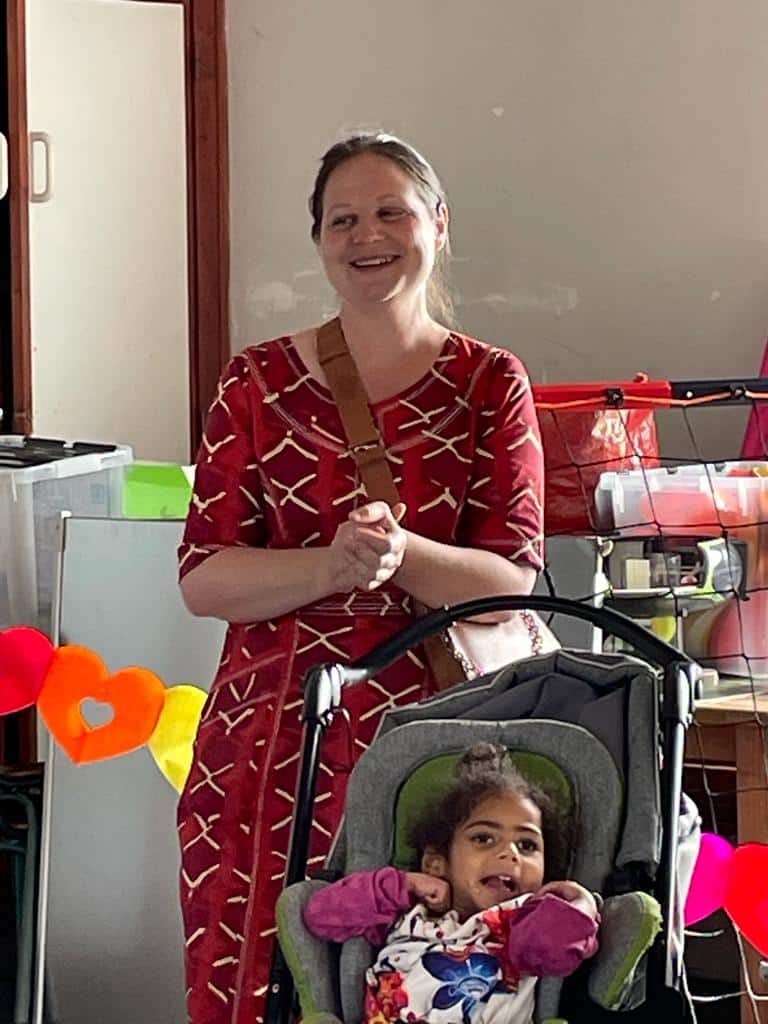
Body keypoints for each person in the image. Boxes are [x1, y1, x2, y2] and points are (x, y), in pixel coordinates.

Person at [177, 131, 545, 1024]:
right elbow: (203, 577)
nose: (366, 235)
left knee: (425, 982)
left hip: (436, 752)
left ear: (437, 224)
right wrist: (331, 564)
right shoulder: (255, 381)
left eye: (390, 212)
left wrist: (400, 552)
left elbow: (514, 580)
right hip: (266, 746)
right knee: (255, 977)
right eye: (342, 220)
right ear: (318, 240)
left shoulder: (490, 383)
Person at [303, 743, 599, 1024]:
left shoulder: (526, 923)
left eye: (527, 845)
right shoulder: (405, 913)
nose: (510, 854)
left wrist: (581, 905)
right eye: (484, 838)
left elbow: (556, 951)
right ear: (436, 862)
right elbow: (321, 915)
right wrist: (404, 885)